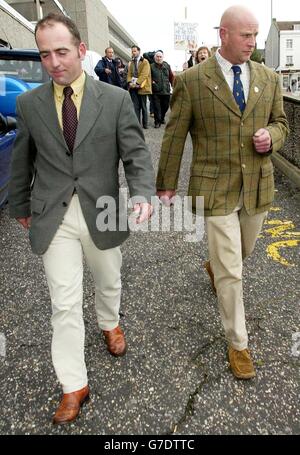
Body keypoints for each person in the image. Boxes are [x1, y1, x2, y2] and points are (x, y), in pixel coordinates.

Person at [9, 13, 155, 425]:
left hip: (103, 210)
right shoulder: (29, 104)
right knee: (64, 303)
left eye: (61, 51)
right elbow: (23, 159)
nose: (54, 62)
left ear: (81, 51)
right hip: (53, 215)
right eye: (45, 54)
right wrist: (20, 204)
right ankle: (74, 384)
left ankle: (110, 322)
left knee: (109, 280)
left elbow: (136, 154)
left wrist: (142, 192)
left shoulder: (114, 99)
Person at [156, 5, 289, 380]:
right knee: (233, 271)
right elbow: (174, 134)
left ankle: (213, 266)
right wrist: (165, 183)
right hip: (214, 187)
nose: (253, 42)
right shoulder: (193, 80)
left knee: (241, 254)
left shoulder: (269, 78)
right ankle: (238, 343)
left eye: (255, 35)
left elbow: (282, 123)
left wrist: (272, 137)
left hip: (257, 186)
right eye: (245, 35)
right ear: (224, 34)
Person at [127, 45, 152, 129]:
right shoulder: (131, 62)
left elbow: (144, 74)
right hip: (133, 88)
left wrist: (137, 82)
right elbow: (129, 74)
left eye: (134, 51)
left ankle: (145, 124)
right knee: (136, 107)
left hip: (142, 87)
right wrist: (130, 82)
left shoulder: (145, 62)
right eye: (132, 51)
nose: (133, 53)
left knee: (144, 107)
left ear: (139, 51)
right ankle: (137, 124)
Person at [150, 51, 174, 128]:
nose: (159, 58)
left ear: (163, 58)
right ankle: (157, 122)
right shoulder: (151, 66)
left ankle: (162, 117)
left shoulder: (167, 65)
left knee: (166, 106)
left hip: (166, 90)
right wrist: (152, 83)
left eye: (160, 57)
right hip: (156, 90)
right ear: (154, 57)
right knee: (157, 108)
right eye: (157, 56)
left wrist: (173, 85)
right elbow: (148, 77)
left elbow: (171, 76)